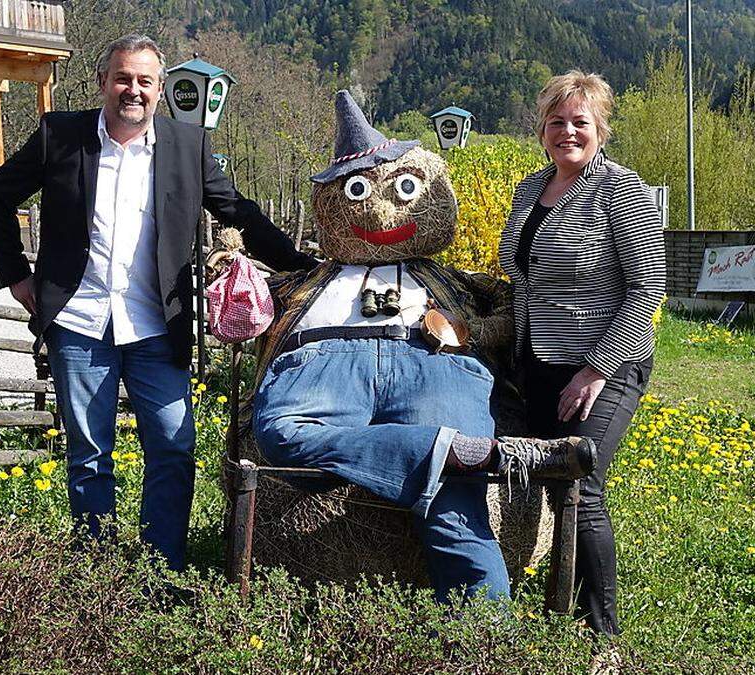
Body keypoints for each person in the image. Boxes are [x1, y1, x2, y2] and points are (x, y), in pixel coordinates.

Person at [0, 34, 314, 569]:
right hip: (80, 322)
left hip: (157, 324)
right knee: (89, 455)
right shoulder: (59, 137)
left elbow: (237, 210)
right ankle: (101, 571)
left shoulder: (186, 146)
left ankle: (163, 569)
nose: (131, 90)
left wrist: (300, 262)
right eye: (122, 78)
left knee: (174, 447)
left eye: (144, 81)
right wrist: (16, 276)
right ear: (102, 83)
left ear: (160, 89)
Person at [251, 90, 597, 603]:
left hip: (431, 362)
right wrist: (232, 278)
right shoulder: (307, 280)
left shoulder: (449, 281)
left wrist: (473, 333)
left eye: (405, 189)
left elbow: (510, 304)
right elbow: (249, 312)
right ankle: (446, 451)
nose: (382, 212)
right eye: (357, 191)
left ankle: (484, 635)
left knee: (457, 504)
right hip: (321, 363)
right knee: (278, 432)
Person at [498, 71, 666, 637]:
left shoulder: (620, 190)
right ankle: (559, 609)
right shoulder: (530, 189)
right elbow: (519, 276)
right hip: (539, 359)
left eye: (580, 122)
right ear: (541, 128)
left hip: (605, 359)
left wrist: (598, 369)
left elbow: (647, 286)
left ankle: (604, 634)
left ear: (601, 129)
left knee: (580, 484)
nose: (567, 132)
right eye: (556, 122)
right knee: (551, 483)